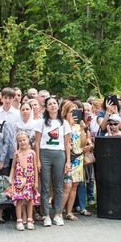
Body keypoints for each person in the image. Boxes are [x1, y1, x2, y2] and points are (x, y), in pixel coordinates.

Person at [37, 97, 71, 227]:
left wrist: (68, 161)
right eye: (50, 104)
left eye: (54, 103)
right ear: (46, 107)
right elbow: (37, 143)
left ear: (58, 106)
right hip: (45, 153)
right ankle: (45, 215)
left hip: (59, 154)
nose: (52, 106)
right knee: (45, 186)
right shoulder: (41, 123)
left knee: (59, 185)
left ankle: (58, 213)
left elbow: (67, 143)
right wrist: (38, 160)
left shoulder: (64, 123)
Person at [9, 131, 39, 231]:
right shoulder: (16, 153)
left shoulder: (32, 153)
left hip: (29, 180)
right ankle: (19, 221)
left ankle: (30, 220)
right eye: (20, 141)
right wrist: (10, 178)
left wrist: (36, 182)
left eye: (24, 140)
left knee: (30, 200)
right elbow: (13, 167)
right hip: (19, 181)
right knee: (19, 200)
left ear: (28, 140)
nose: (22, 142)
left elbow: (35, 167)